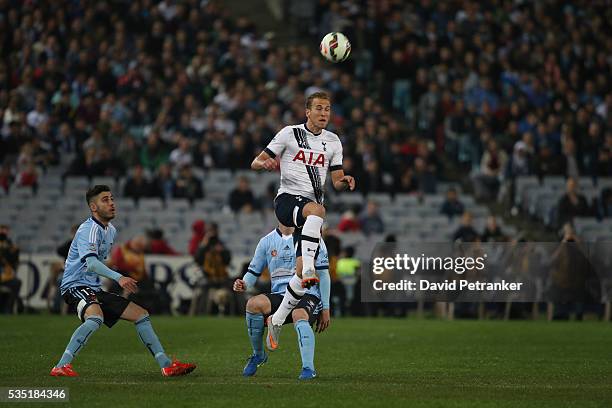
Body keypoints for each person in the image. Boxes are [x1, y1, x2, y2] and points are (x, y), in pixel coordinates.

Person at [50, 185, 195, 377]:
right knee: (95, 318)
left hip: (93, 288)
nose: (111, 203)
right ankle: (61, 366)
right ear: (93, 207)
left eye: (112, 199)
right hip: (75, 285)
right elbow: (92, 264)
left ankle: (166, 365)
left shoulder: (110, 231)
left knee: (141, 315)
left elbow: (99, 261)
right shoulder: (89, 229)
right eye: (105, 200)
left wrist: (117, 268)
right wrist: (119, 277)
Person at [250, 91, 354, 350]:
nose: (323, 113)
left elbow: (337, 179)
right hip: (287, 202)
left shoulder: (333, 141)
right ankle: (309, 265)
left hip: (309, 220)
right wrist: (264, 164)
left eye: (327, 109)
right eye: (318, 108)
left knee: (299, 274)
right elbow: (256, 161)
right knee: (318, 211)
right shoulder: (289, 133)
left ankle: (277, 318)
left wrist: (345, 181)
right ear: (307, 112)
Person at [232, 224, 330, 380]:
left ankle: (308, 368)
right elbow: (253, 272)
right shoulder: (266, 241)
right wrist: (244, 283)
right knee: (252, 304)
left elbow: (324, 275)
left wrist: (325, 308)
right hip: (280, 294)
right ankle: (258, 355)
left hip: (307, 294)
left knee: (299, 314)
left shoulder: (312, 239)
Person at [0, 225, 22, 314]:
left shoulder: (9, 243)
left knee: (17, 282)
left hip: (5, 274)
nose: (4, 232)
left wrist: (14, 251)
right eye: (2, 229)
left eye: (5, 230)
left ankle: (8, 308)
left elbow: (13, 260)